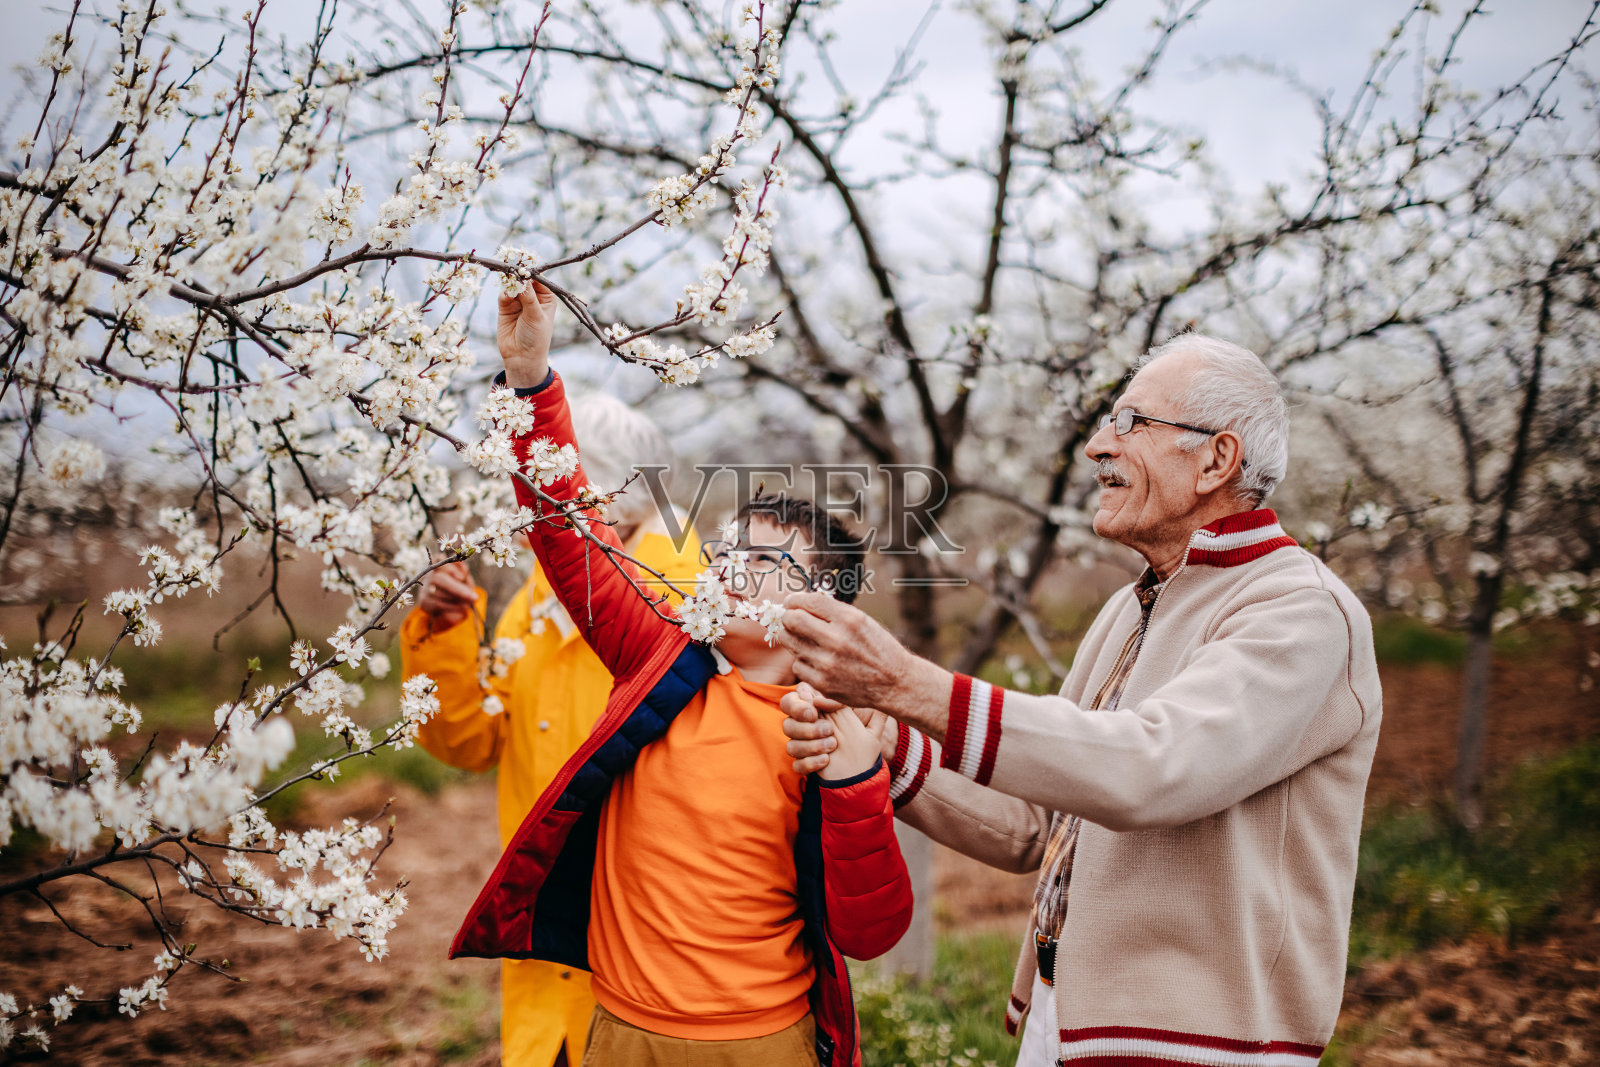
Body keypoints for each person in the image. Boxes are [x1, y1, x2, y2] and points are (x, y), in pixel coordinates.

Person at [777, 334, 1382, 1067]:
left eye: (1130, 422)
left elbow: (1153, 766)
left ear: (1217, 460)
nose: (1097, 445)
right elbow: (1036, 826)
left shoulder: (1303, 612)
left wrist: (908, 684)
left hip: (1203, 1045)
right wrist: (886, 741)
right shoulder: (1130, 609)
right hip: (1070, 1023)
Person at [448, 278, 914, 1067]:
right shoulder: (656, 659)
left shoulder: (826, 732)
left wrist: (857, 785)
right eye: (728, 550)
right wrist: (530, 385)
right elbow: (570, 534)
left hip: (758, 1041)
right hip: (619, 1031)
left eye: (765, 561)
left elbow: (872, 931)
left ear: (819, 608)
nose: (731, 566)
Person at [402, 393, 702, 1067]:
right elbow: (469, 743)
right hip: (547, 967)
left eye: (552, 480)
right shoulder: (537, 602)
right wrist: (444, 640)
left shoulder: (689, 600)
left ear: (611, 487)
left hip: (649, 970)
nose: (533, 502)